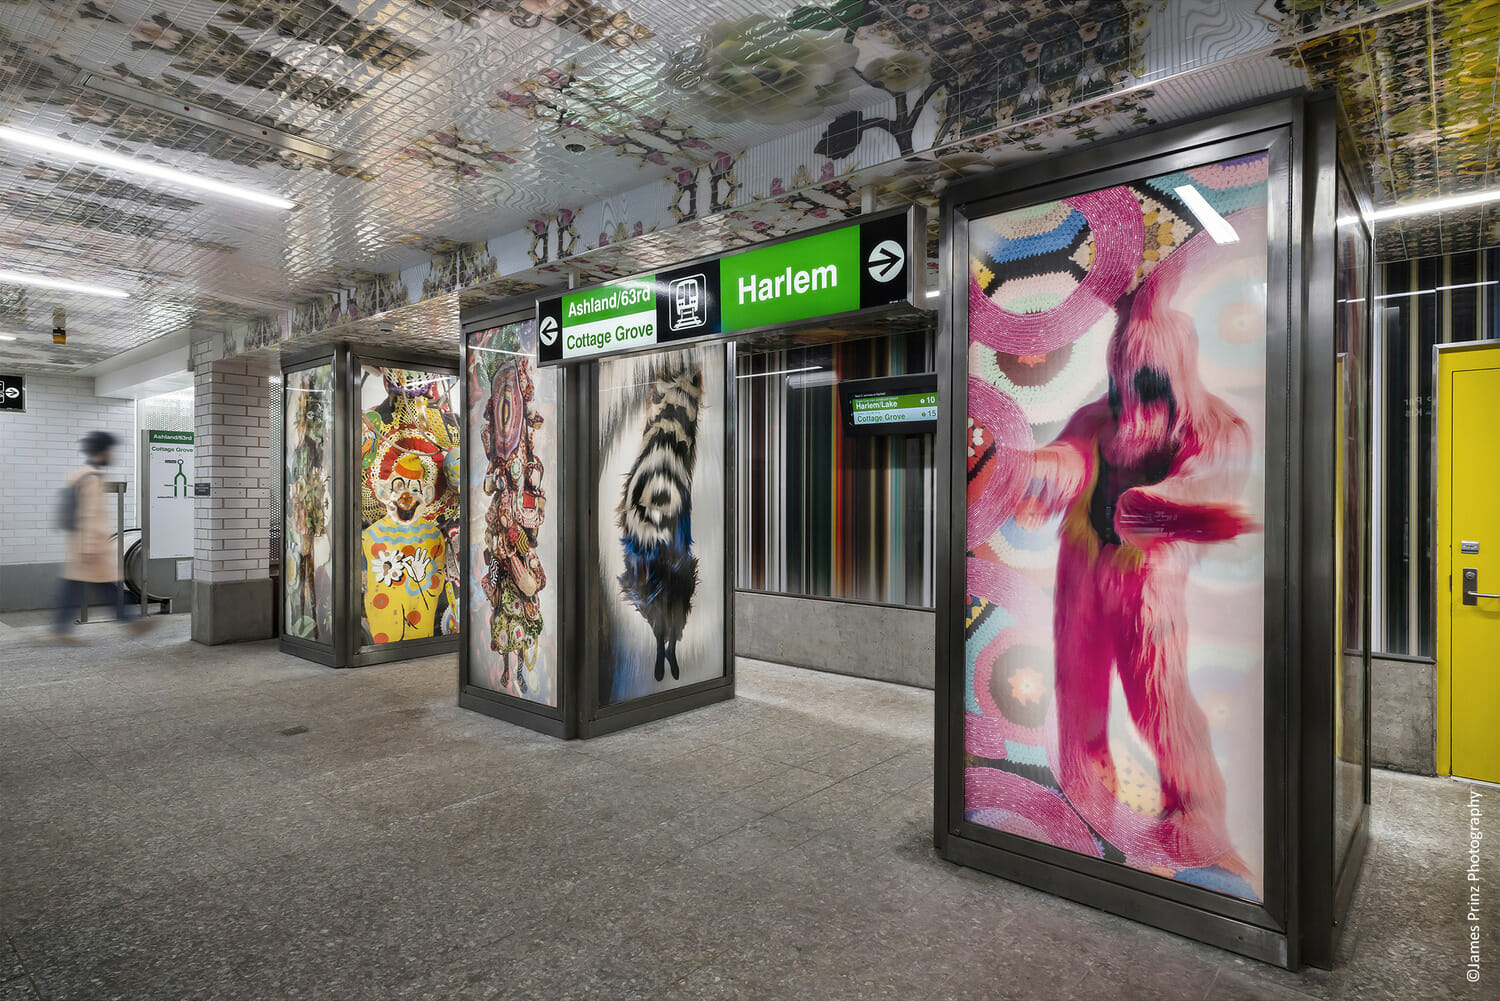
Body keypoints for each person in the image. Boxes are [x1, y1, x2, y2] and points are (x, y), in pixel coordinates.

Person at [51, 431, 153, 642]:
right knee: (101, 584)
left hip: (81, 544)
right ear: (103, 451)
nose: (113, 454)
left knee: (84, 585)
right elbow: (89, 515)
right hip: (90, 546)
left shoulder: (81, 475)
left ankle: (61, 628)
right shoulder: (91, 479)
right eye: (111, 450)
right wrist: (89, 547)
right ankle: (129, 622)